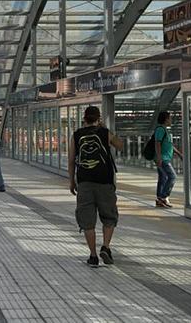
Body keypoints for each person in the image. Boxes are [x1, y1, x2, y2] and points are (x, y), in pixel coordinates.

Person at [68, 106, 123, 268]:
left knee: (87, 221)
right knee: (109, 216)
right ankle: (105, 246)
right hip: (105, 182)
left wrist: (72, 181)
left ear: (84, 118)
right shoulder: (105, 133)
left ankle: (93, 256)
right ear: (98, 118)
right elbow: (120, 145)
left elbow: (71, 160)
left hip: (85, 182)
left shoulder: (76, 135)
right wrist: (106, 130)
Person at [155, 111, 183, 208]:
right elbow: (157, 143)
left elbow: (169, 145)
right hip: (163, 159)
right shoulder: (160, 130)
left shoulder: (166, 131)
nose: (171, 120)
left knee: (163, 178)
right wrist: (159, 157)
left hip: (165, 157)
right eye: (170, 118)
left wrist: (179, 154)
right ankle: (163, 197)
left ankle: (159, 199)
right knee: (172, 177)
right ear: (166, 119)